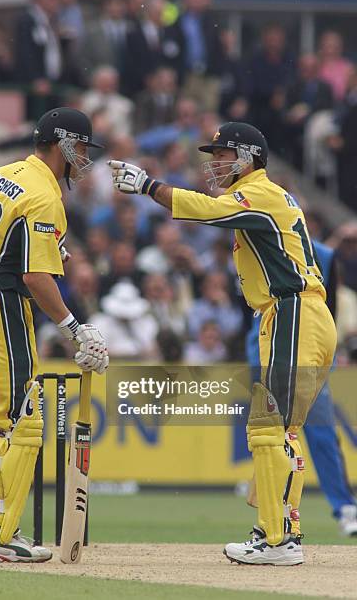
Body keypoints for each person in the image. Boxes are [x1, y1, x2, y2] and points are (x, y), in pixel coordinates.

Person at [108, 121, 337, 566]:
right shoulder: (266, 193)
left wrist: (150, 186)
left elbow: (208, 211)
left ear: (248, 157)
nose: (214, 163)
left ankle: (279, 541)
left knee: (268, 428)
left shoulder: (261, 193)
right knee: (282, 430)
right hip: (302, 313)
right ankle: (277, 530)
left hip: (291, 310)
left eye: (222, 154)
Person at [0, 107, 109, 563]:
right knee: (21, 419)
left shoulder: (1, 173)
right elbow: (37, 278)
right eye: (80, 150)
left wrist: (36, 250)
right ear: (64, 146)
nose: (83, 160)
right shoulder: (45, 195)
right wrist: (76, 330)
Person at [246, 239, 357, 537]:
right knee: (272, 435)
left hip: (304, 344)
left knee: (313, 433)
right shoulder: (253, 238)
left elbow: (327, 303)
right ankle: (273, 515)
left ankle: (343, 508)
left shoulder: (321, 253)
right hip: (270, 339)